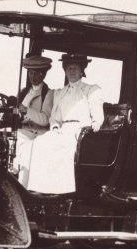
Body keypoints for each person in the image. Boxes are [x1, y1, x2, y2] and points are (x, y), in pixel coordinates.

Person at [26, 53, 104, 194]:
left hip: (80, 130)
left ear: (81, 71)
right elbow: (55, 117)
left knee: (62, 146)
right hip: (62, 129)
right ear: (65, 71)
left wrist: (97, 122)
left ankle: (61, 189)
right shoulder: (59, 93)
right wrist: (55, 127)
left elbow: (97, 112)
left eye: (75, 68)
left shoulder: (90, 90)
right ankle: (38, 188)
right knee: (39, 142)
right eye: (69, 68)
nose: (72, 71)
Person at [14, 54, 53, 186]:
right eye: (30, 73)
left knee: (22, 146)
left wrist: (26, 111)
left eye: (36, 73)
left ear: (43, 75)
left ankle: (21, 186)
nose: (32, 76)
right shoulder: (24, 91)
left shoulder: (48, 93)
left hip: (34, 134)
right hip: (21, 130)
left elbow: (45, 119)